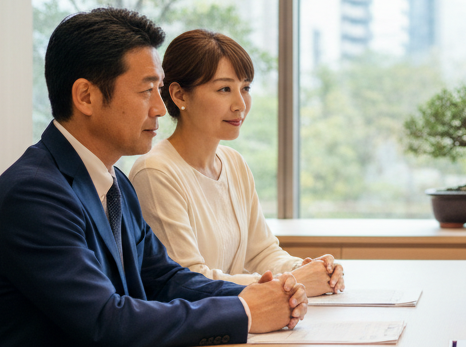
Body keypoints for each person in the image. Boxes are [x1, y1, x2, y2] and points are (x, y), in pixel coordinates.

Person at [0, 9, 307, 347]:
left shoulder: (112, 181)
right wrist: (246, 312)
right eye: (147, 90)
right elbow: (105, 319)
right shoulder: (35, 192)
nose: (159, 107)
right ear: (86, 96)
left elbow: (163, 278)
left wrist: (256, 294)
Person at [130, 29, 344, 296]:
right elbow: (189, 281)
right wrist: (292, 281)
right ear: (179, 95)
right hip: (201, 328)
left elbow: (262, 252)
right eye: (224, 89)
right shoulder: (155, 172)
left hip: (241, 319)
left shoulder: (234, 163)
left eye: (245, 88)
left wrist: (308, 268)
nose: (240, 104)